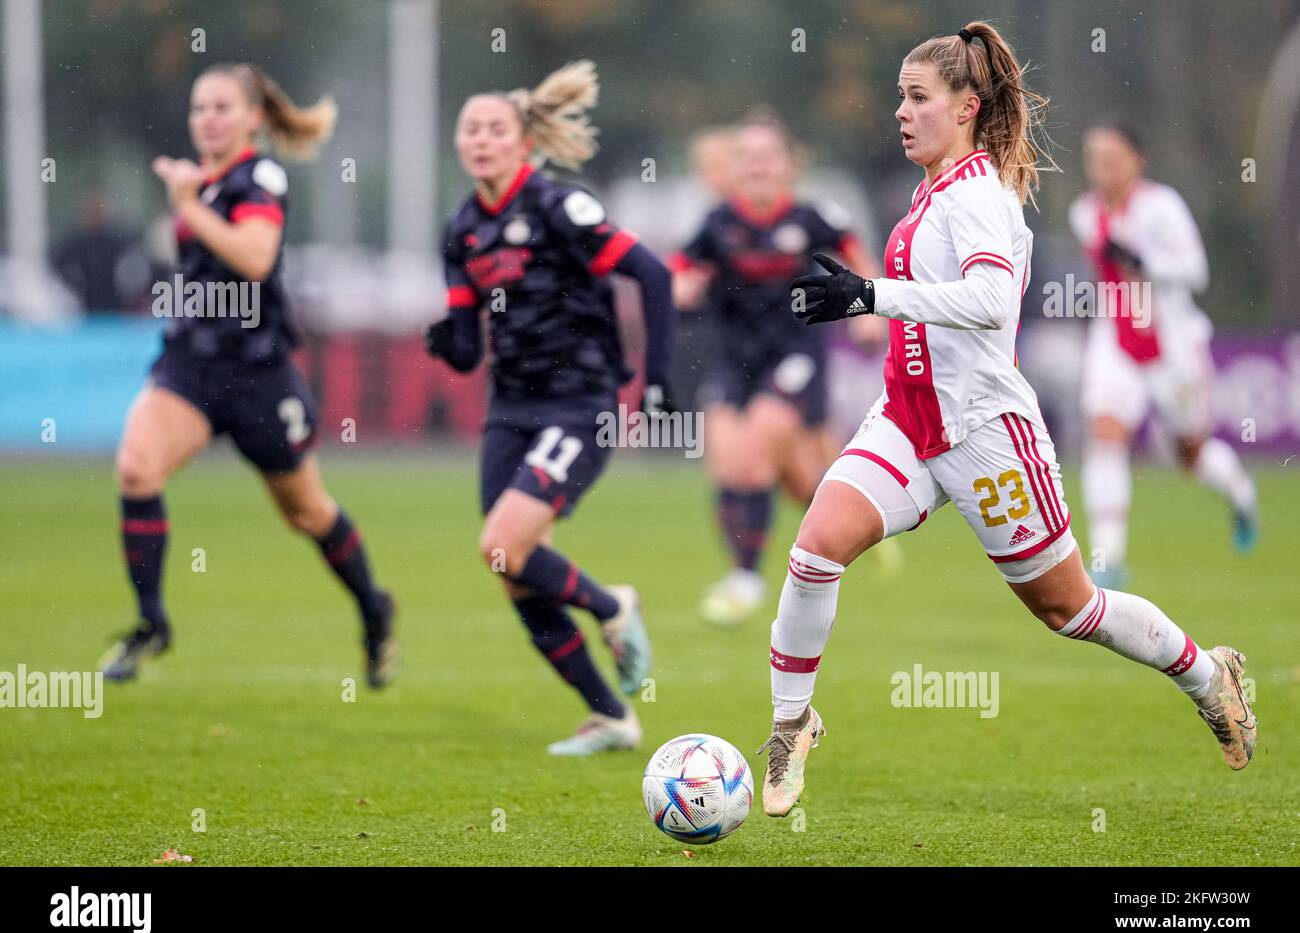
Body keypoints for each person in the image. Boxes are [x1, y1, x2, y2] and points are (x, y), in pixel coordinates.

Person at [761, 23, 1257, 817]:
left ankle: (1208, 674)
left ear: (965, 108)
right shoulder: (932, 190)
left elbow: (993, 305)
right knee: (816, 550)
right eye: (898, 95)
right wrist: (872, 301)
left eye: (917, 97)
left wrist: (871, 294)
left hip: (988, 434)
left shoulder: (978, 193)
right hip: (907, 420)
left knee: (1072, 609)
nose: (900, 111)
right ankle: (792, 724)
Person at [101, 64, 398, 688]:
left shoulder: (258, 175)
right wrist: (188, 201)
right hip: (190, 364)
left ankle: (374, 608)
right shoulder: (202, 182)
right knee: (136, 468)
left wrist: (186, 205)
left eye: (222, 108)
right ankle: (151, 622)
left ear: (254, 119)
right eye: (198, 108)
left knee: (307, 513)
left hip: (257, 376)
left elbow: (256, 258)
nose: (207, 119)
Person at [425, 61, 676, 756]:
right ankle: (612, 716)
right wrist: (447, 342)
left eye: (494, 129)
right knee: (510, 567)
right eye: (469, 129)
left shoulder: (559, 207)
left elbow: (651, 273)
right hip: (511, 409)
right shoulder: (462, 231)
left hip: (582, 402)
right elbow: (466, 350)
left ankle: (612, 605)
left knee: (500, 545)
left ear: (522, 142)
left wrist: (657, 379)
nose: (480, 139)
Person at [671, 111, 884, 627]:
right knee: (747, 467)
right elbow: (682, 269)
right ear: (736, 166)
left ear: (789, 163)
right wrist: (680, 289)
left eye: (768, 156)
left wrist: (869, 308)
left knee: (759, 447)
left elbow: (858, 255)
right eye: (747, 157)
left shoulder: (812, 218)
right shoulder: (719, 223)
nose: (758, 166)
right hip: (733, 360)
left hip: (796, 355)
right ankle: (857, 518)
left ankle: (745, 579)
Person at [1070, 123, 1258, 587]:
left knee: (1188, 456)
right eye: (1096, 159)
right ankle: (1107, 559)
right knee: (1105, 433)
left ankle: (1240, 491)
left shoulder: (1163, 207)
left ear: (1138, 160)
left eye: (1114, 158)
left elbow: (1196, 272)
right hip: (1115, 342)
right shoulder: (1083, 212)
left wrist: (1141, 260)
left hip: (1172, 347)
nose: (1104, 169)